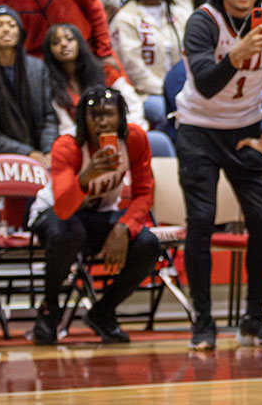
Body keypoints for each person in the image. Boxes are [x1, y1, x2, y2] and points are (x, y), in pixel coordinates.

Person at [174, 0, 262, 351]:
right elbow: (207, 83)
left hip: (246, 131)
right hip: (198, 130)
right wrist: (237, 54)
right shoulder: (202, 22)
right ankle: (204, 321)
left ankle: (254, 319)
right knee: (202, 220)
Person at [26, 86, 161, 344]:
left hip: (99, 215)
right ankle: (49, 309)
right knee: (70, 230)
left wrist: (123, 227)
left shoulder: (134, 139)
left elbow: (145, 193)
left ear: (121, 117)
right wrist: (86, 177)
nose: (102, 121)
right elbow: (64, 208)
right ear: (82, 120)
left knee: (148, 243)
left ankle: (103, 312)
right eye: (94, 115)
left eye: (108, 114)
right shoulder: (67, 146)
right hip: (51, 214)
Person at [109, 0, 188, 131]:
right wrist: (168, 91)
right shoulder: (125, 18)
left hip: (183, 91)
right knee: (162, 111)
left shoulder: (178, 15)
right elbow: (133, 68)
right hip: (146, 94)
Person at [0, 5, 58, 164]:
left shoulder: (37, 68)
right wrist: (27, 153)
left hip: (43, 153)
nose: (6, 30)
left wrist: (48, 150)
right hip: (2, 158)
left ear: (20, 32)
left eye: (11, 25)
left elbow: (49, 116)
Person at [43, 23, 145, 136]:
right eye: (56, 42)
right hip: (81, 141)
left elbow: (133, 104)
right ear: (49, 51)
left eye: (70, 39)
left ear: (80, 43)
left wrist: (127, 132)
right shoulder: (49, 84)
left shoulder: (105, 70)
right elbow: (66, 129)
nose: (63, 44)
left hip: (121, 133)